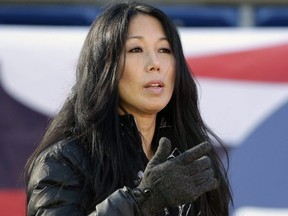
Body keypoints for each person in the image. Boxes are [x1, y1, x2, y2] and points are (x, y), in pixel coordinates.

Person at [24, 1, 232, 216]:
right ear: (104, 67)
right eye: (135, 49)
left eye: (164, 49)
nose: (155, 63)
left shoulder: (190, 156)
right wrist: (143, 201)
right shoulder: (64, 161)